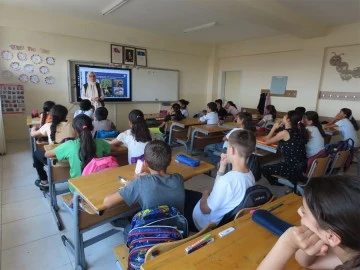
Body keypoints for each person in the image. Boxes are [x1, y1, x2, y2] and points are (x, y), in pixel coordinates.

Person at [258, 175, 360, 270]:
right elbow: (309, 263)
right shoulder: (352, 253)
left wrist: (287, 243)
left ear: (332, 237)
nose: (299, 211)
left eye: (305, 212)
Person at [103, 140, 185, 236]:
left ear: (145, 163)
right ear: (170, 161)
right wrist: (145, 179)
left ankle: (126, 225)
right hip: (177, 232)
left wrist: (131, 186)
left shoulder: (141, 183)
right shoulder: (178, 179)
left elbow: (107, 202)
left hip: (150, 237)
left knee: (127, 229)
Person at [185, 130, 256, 231]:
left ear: (232, 150)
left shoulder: (227, 182)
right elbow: (218, 189)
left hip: (202, 222)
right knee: (189, 194)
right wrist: (222, 166)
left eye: (227, 147)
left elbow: (205, 209)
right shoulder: (250, 175)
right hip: (220, 216)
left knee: (180, 197)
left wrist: (205, 194)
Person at [45, 114, 115, 193]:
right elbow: (112, 148)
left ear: (74, 130)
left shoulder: (69, 145)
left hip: (77, 190)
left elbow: (47, 154)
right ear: (91, 128)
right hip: (98, 186)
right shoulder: (100, 142)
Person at [31, 104, 76, 188]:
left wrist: (33, 128)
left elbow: (33, 135)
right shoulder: (72, 125)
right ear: (65, 115)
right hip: (74, 160)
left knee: (36, 153)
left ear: (51, 115)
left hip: (57, 161)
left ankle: (44, 181)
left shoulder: (48, 126)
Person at [261, 110, 308, 186]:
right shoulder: (298, 130)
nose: (283, 117)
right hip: (302, 165)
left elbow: (266, 141)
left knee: (264, 169)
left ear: (288, 119)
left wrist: (274, 128)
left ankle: (279, 183)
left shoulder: (285, 133)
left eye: (284, 116)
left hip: (292, 168)